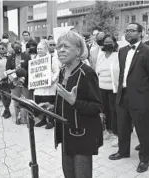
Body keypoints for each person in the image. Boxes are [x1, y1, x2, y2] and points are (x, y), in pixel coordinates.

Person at [52, 31, 103, 178]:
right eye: (58, 46)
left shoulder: (87, 73)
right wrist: (52, 107)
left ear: (78, 50)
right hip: (66, 136)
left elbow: (97, 107)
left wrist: (75, 102)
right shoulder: (62, 71)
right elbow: (63, 99)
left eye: (66, 46)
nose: (60, 50)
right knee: (68, 174)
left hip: (82, 137)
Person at [109, 23, 149, 173]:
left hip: (140, 97)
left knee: (143, 129)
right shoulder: (123, 50)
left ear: (140, 33)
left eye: (132, 31)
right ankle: (123, 151)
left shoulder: (146, 51)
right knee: (123, 126)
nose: (128, 33)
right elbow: (123, 73)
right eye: (126, 31)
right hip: (123, 94)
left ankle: (145, 159)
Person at [95, 34, 120, 147]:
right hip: (102, 88)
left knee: (115, 111)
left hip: (114, 89)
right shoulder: (101, 56)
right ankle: (109, 130)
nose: (108, 44)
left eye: (110, 42)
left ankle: (117, 134)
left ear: (114, 43)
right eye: (106, 42)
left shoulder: (118, 55)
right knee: (105, 111)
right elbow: (97, 71)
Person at [34, 40, 60, 129]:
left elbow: (57, 71)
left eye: (41, 49)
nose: (39, 51)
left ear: (45, 49)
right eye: (38, 49)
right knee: (40, 103)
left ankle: (51, 121)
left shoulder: (52, 59)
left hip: (49, 86)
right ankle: (43, 119)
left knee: (48, 103)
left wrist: (52, 80)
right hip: (39, 87)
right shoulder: (35, 59)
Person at [6, 40, 31, 124]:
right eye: (15, 46)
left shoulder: (27, 56)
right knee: (16, 101)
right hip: (15, 82)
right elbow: (7, 70)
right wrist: (14, 77)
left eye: (18, 46)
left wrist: (24, 76)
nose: (17, 48)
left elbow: (30, 69)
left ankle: (25, 119)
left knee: (26, 101)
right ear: (13, 48)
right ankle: (18, 118)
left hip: (25, 82)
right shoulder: (10, 57)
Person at [0, 42, 11, 119]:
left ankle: (7, 110)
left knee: (7, 96)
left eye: (2, 48)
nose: (1, 50)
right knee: (2, 96)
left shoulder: (9, 57)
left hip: (8, 79)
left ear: (6, 48)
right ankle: (6, 109)